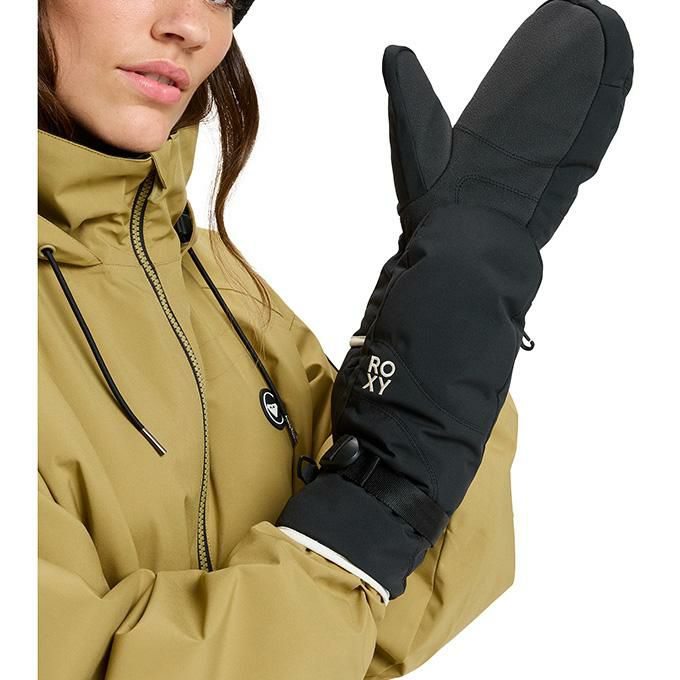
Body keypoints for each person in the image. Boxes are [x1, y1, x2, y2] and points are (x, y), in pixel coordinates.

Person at [38, 0, 633, 678]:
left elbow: (384, 622)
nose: (193, 27)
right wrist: (369, 514)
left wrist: (453, 319)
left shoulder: (217, 281)